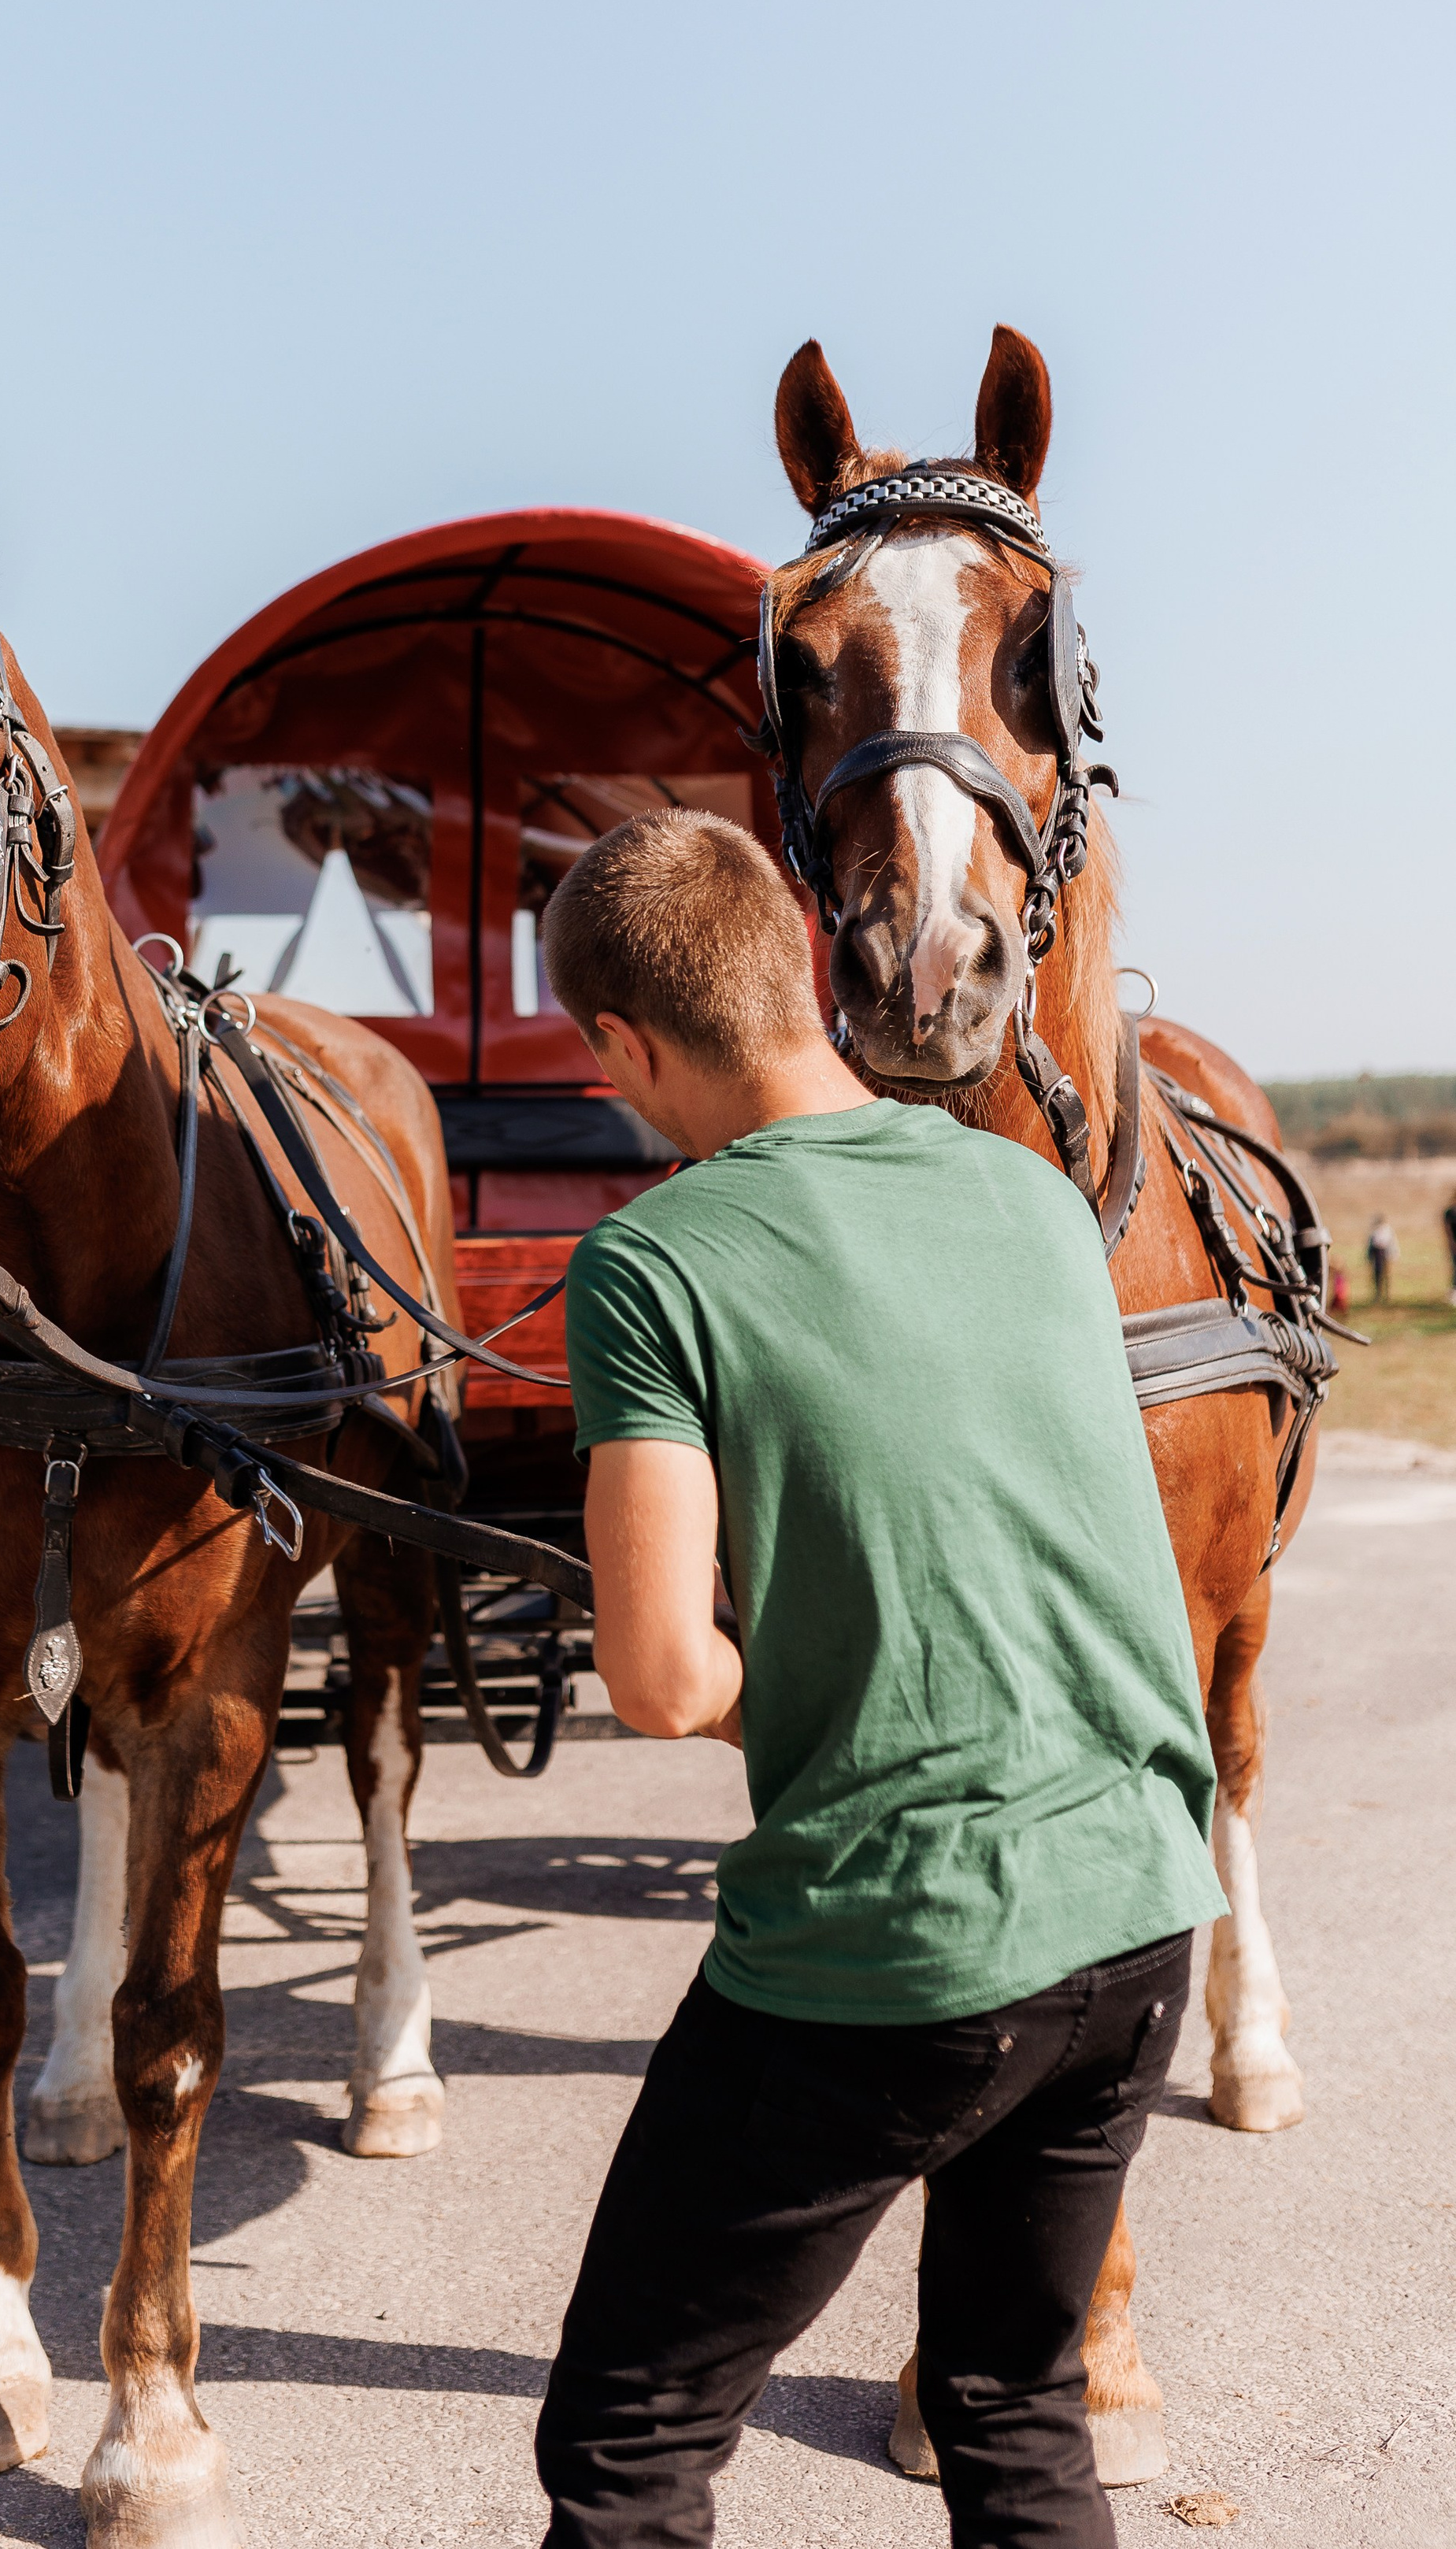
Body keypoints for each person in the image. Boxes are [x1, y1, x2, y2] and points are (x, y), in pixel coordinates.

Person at [529, 810, 1224, 2549]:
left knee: (627, 2439)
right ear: (794, 971)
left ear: (625, 1043)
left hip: (900, 1947)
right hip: (1138, 1917)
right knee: (1010, 2415)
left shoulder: (651, 1260)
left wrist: (844, 1666)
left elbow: (664, 1676)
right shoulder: (1021, 1191)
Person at [1367, 1213, 1397, 1304]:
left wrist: (1393, 1255)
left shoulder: (1388, 1230)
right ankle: (1378, 1295)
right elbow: (1371, 1245)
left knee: (1386, 1275)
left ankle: (1387, 1295)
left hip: (1385, 1255)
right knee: (1377, 1276)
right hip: (1377, 1255)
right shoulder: (1375, 1232)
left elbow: (1392, 1244)